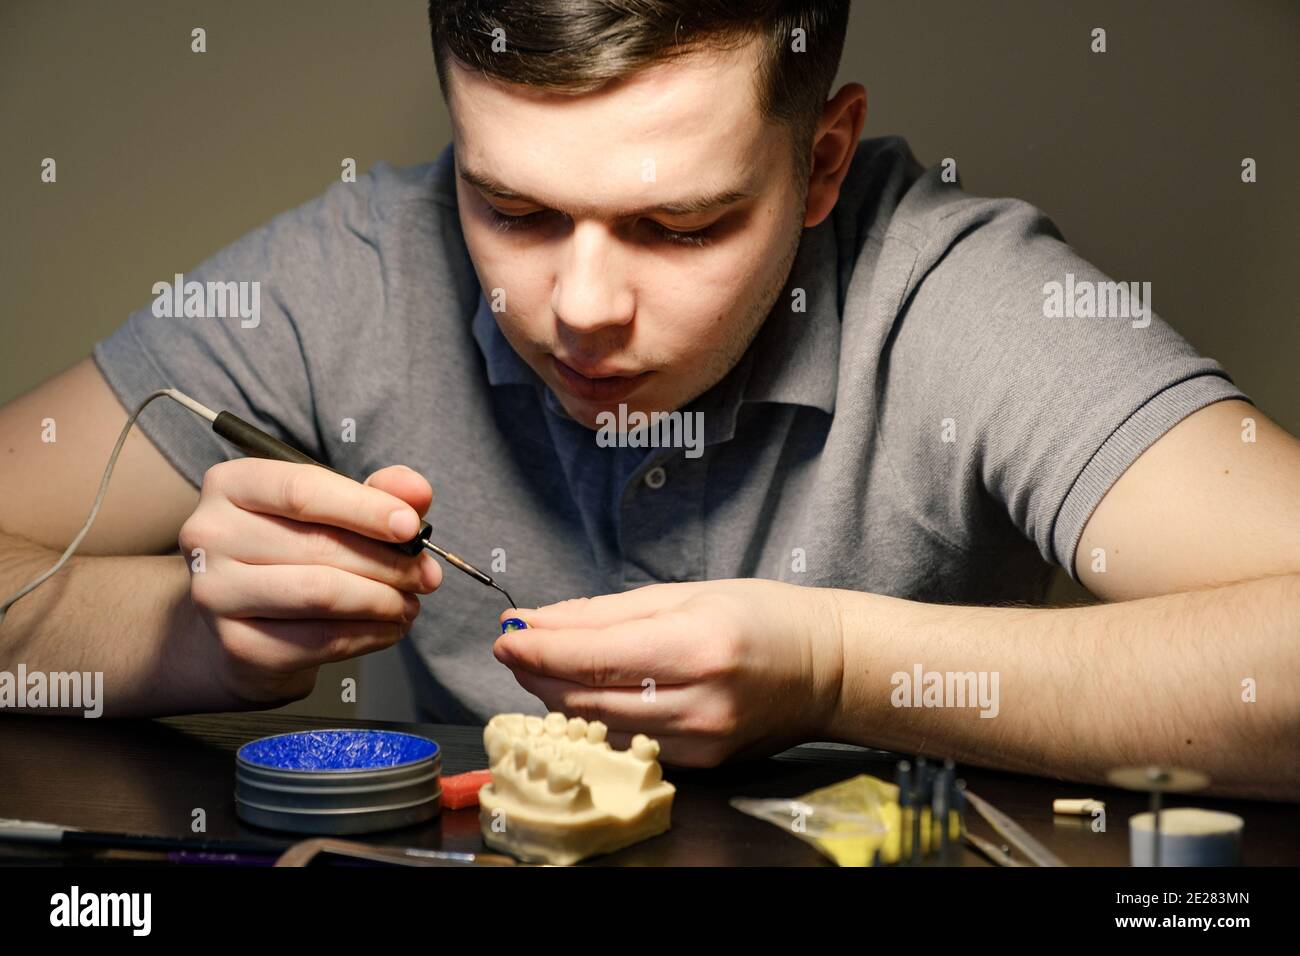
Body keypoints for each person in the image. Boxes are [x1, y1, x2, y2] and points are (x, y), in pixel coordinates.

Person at [1, 1, 1297, 799]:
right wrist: (197, 637)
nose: (580, 307)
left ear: (824, 161)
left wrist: (840, 671)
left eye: (678, 225)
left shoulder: (964, 298)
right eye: (510, 207)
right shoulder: (357, 270)